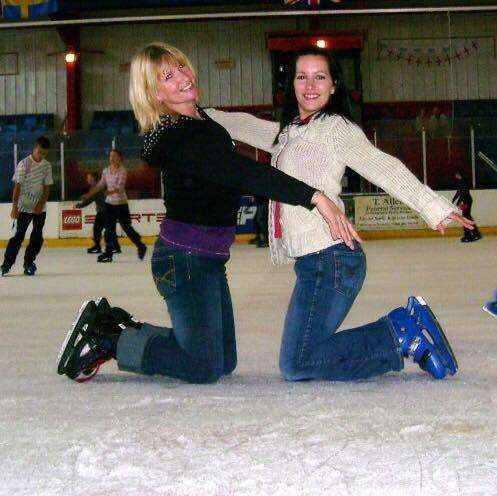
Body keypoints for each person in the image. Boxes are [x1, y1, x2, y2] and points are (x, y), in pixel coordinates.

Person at [57, 42, 360, 383]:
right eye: (168, 77)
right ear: (154, 94)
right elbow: (242, 172)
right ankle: (110, 337)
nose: (184, 78)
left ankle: (117, 328)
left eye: (182, 67)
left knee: (222, 360)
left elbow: (243, 141)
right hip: (183, 259)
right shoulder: (175, 136)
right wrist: (314, 196)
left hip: (209, 259)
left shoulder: (204, 121)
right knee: (203, 367)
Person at [205, 47, 475, 381]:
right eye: (302, 76)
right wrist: (195, 113)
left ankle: (399, 333)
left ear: (334, 85)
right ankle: (401, 333)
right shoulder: (291, 132)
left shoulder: (335, 128)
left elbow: (384, 167)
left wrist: (434, 207)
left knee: (298, 363)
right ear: (291, 84)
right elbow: (243, 125)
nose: (310, 85)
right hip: (316, 262)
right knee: (301, 360)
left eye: (320, 77)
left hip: (331, 260)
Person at [1, 136, 53, 276]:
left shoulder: (47, 166)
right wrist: (14, 207)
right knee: (18, 236)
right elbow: (17, 186)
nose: (41, 155)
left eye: (44, 153)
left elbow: (47, 187)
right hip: (23, 207)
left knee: (37, 237)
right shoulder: (24, 164)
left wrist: (40, 205)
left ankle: (29, 262)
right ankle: (7, 264)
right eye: (39, 152)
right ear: (34, 149)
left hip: (39, 209)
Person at [84, 149, 147, 263]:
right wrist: (89, 194)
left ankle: (140, 245)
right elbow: (100, 184)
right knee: (109, 229)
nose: (111, 158)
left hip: (121, 204)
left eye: (114, 156)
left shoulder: (122, 171)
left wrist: (110, 192)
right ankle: (108, 253)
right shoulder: (106, 171)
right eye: (110, 156)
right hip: (109, 204)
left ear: (120, 158)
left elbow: (121, 187)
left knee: (127, 228)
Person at [75, 171, 121, 254]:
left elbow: (89, 200)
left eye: (88, 178)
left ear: (93, 178)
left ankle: (99, 247)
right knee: (107, 229)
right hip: (106, 210)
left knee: (97, 229)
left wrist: (79, 205)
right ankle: (114, 247)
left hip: (104, 211)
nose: (87, 180)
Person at [452, 171, 481, 242]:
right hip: (466, 200)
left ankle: (468, 236)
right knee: (467, 217)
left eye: (455, 175)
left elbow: (462, 193)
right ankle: (475, 234)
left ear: (458, 174)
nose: (455, 176)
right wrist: (454, 200)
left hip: (466, 201)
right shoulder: (461, 181)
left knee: (465, 218)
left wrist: (458, 203)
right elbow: (459, 192)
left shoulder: (462, 182)